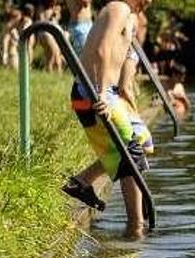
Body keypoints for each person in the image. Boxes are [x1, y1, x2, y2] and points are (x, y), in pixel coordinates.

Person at [59, 0, 155, 238]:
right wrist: (101, 93)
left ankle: (82, 181)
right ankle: (135, 227)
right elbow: (102, 49)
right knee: (131, 153)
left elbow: (123, 57)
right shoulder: (118, 8)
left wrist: (125, 92)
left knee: (142, 140)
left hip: (106, 91)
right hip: (91, 91)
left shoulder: (128, 16)